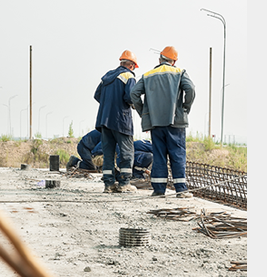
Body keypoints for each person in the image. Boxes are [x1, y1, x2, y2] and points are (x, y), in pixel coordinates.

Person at [130, 46, 196, 198]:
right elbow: (190, 89)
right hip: (176, 122)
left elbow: (134, 94)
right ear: (173, 61)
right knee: (177, 154)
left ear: (159, 59)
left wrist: (143, 113)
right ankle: (181, 190)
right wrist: (185, 108)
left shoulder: (147, 75)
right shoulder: (180, 72)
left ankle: (159, 190)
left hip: (155, 123)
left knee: (159, 155)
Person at [94, 50, 138, 193]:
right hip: (121, 120)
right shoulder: (128, 76)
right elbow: (130, 98)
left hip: (104, 120)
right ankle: (124, 183)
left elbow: (97, 95)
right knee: (126, 152)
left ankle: (109, 185)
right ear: (131, 65)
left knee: (108, 153)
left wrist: (109, 105)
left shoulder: (107, 76)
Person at [67, 133, 153, 180]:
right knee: (92, 167)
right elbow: (99, 151)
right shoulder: (111, 135)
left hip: (93, 147)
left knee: (97, 167)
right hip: (85, 147)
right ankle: (74, 161)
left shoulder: (113, 134)